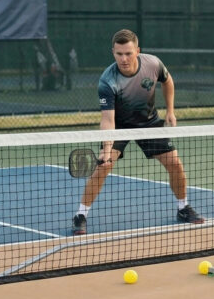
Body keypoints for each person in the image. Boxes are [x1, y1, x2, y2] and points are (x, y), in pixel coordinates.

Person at [71, 29, 203, 235]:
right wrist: (106, 149)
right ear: (113, 52)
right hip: (119, 126)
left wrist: (170, 110)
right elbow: (108, 119)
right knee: (102, 169)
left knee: (175, 164)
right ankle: (80, 215)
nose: (123, 59)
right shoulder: (107, 80)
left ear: (137, 51)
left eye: (128, 53)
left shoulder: (153, 64)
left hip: (148, 123)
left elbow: (168, 81)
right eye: (119, 54)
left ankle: (183, 208)